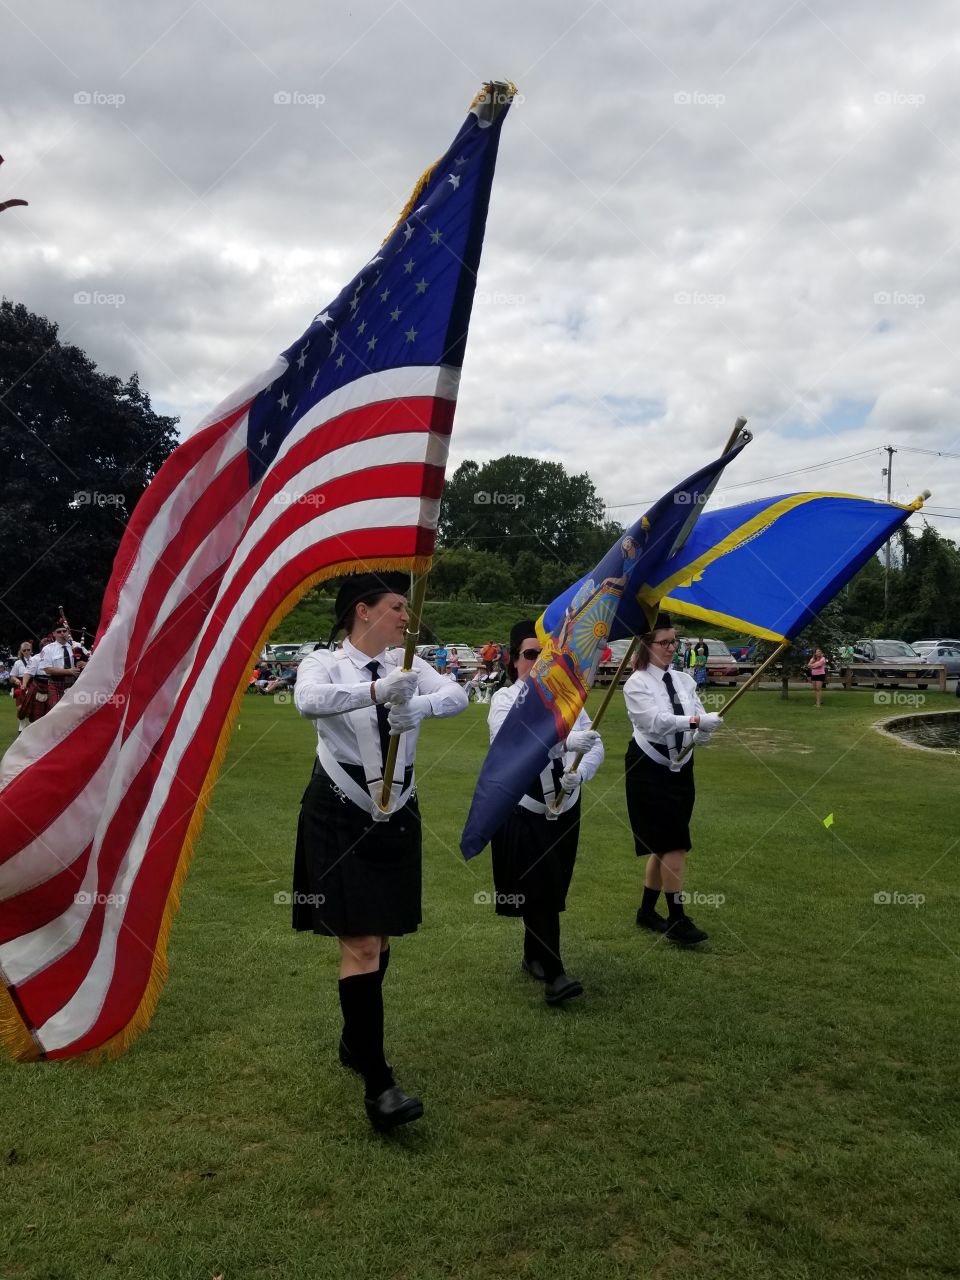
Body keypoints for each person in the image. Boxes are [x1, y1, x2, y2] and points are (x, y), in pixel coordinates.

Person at [292, 572, 467, 1132]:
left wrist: (421, 708)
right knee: (363, 941)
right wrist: (375, 692)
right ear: (362, 612)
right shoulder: (324, 662)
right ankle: (378, 1083)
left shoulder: (407, 664)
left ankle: (353, 1039)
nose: (405, 618)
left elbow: (458, 694)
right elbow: (307, 702)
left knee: (382, 934)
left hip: (399, 810)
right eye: (396, 607)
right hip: (339, 810)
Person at [488, 620, 604, 1005]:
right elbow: (514, 741)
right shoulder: (505, 699)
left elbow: (595, 743)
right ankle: (556, 974)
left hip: (566, 805)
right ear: (513, 659)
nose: (537, 663)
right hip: (526, 808)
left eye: (544, 655)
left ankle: (531, 956)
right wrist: (566, 740)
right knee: (539, 886)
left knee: (552, 886)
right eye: (529, 655)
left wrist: (581, 772)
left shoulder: (568, 696)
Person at [623, 613, 723, 946]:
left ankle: (646, 912)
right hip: (648, 770)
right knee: (674, 842)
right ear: (647, 646)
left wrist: (703, 733)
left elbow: (694, 717)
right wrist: (696, 721)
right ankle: (677, 919)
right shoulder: (637, 683)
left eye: (674, 641)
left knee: (664, 844)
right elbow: (655, 722)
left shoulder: (684, 680)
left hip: (681, 767)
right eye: (664, 642)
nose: (672, 648)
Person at [10, 641, 34, 733]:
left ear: (31, 650)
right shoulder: (18, 663)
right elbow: (12, 676)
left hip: (33, 684)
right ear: (21, 651)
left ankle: (32, 723)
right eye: (24, 650)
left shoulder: (36, 660)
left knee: (33, 706)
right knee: (20, 705)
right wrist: (16, 680)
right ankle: (22, 723)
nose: (27, 652)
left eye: (28, 650)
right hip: (21, 685)